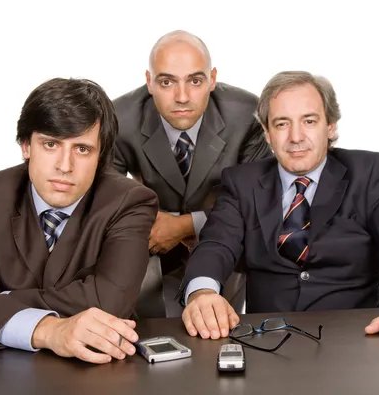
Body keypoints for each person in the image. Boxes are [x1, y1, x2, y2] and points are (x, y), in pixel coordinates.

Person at [180, 71, 379, 351]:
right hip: (267, 345)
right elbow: (216, 244)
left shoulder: (368, 173)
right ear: (267, 133)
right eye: (282, 124)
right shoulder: (242, 182)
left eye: (309, 121)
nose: (296, 137)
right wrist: (202, 292)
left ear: (331, 126)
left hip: (356, 345)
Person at [0, 78, 159, 364]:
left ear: (101, 157)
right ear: (26, 146)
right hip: (2, 370)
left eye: (82, 149)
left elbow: (110, 302)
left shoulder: (131, 201)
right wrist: (48, 330)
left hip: (101, 367)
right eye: (51, 144)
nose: (65, 166)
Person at [112, 30, 272, 317]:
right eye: (166, 82)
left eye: (195, 81)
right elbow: (104, 203)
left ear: (212, 79)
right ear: (149, 82)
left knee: (218, 332)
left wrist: (187, 225)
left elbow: (258, 206)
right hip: (152, 241)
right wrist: (150, 224)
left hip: (226, 235)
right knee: (153, 335)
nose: (182, 97)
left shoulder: (248, 114)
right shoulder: (118, 119)